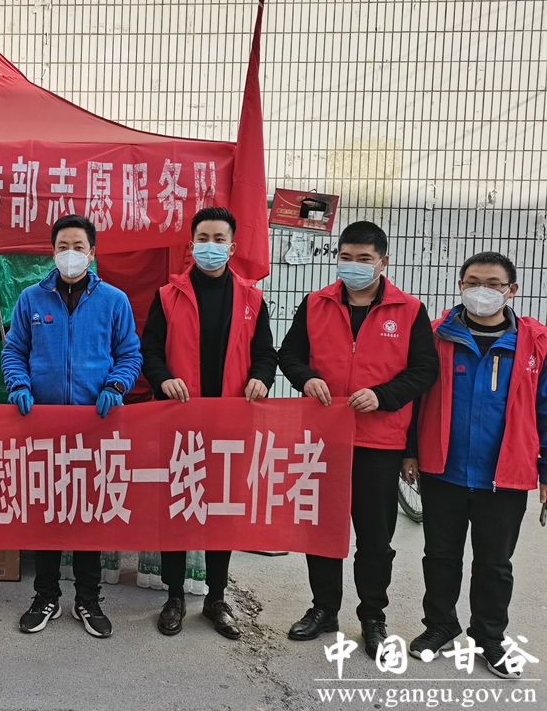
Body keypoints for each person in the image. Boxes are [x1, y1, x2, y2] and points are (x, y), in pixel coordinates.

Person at [277, 221, 438, 658]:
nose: (354, 266)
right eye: (346, 257)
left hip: (379, 442)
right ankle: (323, 609)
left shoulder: (409, 310)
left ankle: (373, 617)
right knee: (322, 531)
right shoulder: (316, 303)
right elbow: (289, 354)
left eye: (364, 259)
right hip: (324, 437)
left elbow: (424, 370)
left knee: (374, 539)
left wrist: (383, 396)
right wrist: (306, 378)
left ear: (382, 262)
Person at [403, 252, 547, 679]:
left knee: (495, 563)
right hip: (443, 469)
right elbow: (414, 399)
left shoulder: (535, 343)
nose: (482, 291)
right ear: (460, 286)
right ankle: (440, 625)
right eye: (472, 282)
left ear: (511, 290)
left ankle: (490, 637)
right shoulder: (436, 336)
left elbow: (545, 411)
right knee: (440, 555)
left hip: (504, 474)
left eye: (493, 284)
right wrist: (409, 451)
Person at [1, 213, 142, 638]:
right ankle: (45, 597)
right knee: (46, 515)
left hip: (93, 427)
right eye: (63, 246)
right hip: (42, 425)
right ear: (53, 252)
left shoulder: (114, 300)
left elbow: (129, 354)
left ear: (92, 253)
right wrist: (19, 384)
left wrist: (116, 385)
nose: (70, 254)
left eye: (78, 247)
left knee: (87, 516)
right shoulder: (31, 299)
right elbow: (13, 350)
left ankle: (87, 600)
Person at [140, 206, 277, 640]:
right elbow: (150, 351)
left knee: (222, 511)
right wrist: (163, 379)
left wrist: (261, 377)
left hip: (231, 422)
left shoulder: (251, 298)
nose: (211, 246)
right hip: (180, 419)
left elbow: (265, 353)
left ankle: (216, 598)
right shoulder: (168, 296)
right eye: (204, 238)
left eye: (219, 239)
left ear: (232, 247)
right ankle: (174, 596)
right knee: (178, 507)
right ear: (191, 244)